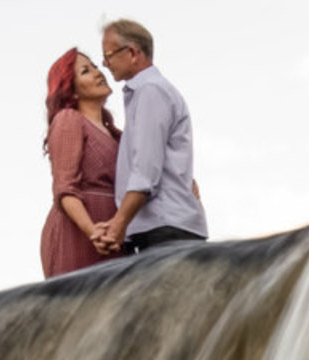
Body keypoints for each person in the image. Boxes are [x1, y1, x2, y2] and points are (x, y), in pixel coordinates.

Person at [92, 20, 208, 256]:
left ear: (133, 53)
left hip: (167, 230)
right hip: (165, 229)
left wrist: (118, 224)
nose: (105, 63)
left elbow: (145, 173)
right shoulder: (148, 92)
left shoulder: (150, 92)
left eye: (108, 55)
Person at [39, 49, 123, 278]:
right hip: (78, 232)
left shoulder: (117, 136)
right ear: (71, 90)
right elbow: (64, 188)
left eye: (95, 66)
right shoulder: (69, 120)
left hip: (115, 233)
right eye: (86, 71)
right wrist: (92, 230)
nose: (98, 73)